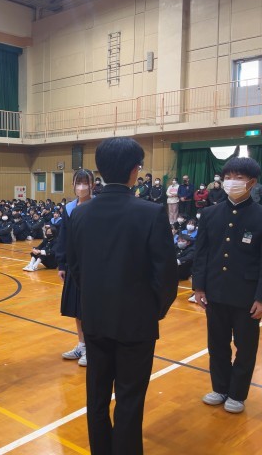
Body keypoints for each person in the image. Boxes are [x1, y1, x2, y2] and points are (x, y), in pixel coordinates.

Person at [67, 137, 178, 455]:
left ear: (100, 171)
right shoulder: (151, 213)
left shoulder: (80, 214)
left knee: (97, 397)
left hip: (95, 318)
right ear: (134, 171)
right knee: (130, 399)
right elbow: (166, 275)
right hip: (136, 323)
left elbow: (75, 268)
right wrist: (154, 310)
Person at [192, 157, 262, 414]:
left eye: (239, 178)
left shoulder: (259, 215)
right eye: (228, 176)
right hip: (216, 291)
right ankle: (220, 387)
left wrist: (261, 297)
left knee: (245, 347)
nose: (232, 182)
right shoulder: (210, 213)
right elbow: (202, 253)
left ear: (251, 182)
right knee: (217, 344)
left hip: (247, 296)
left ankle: (237, 393)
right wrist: (199, 287)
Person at [55, 169, 94, 367]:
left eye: (85, 183)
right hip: (74, 265)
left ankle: (92, 348)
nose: (81, 187)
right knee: (78, 309)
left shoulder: (98, 206)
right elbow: (64, 237)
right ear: (73, 185)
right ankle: (82, 344)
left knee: (90, 308)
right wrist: (62, 263)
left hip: (93, 265)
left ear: (92, 185)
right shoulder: (69, 208)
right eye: (78, 183)